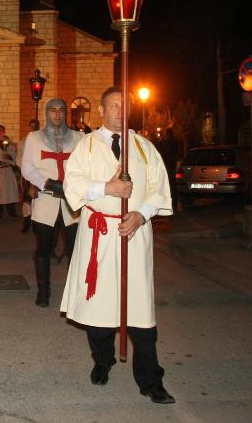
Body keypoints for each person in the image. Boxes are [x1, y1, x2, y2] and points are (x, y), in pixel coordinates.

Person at [60, 86, 175, 404]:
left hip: (133, 234)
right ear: (101, 110)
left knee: (139, 308)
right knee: (99, 306)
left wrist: (141, 214)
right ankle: (102, 360)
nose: (119, 110)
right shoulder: (87, 146)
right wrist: (107, 187)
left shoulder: (143, 147)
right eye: (113, 105)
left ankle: (151, 380)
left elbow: (159, 189)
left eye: (124, 105)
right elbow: (73, 184)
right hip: (99, 234)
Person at [21, 100, 82, 306]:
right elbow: (27, 168)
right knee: (44, 248)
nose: (58, 114)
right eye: (53, 111)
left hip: (71, 203)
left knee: (75, 250)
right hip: (46, 199)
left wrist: (73, 186)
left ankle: (74, 294)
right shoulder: (34, 138)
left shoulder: (77, 138)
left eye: (61, 110)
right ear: (47, 113)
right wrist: (47, 183)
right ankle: (43, 291)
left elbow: (85, 167)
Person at [16, 119, 40, 233]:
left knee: (38, 199)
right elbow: (19, 157)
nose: (33, 128)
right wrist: (26, 167)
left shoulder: (43, 141)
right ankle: (26, 221)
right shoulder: (24, 141)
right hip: (27, 175)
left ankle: (37, 223)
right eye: (31, 126)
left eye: (35, 126)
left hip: (40, 175)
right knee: (26, 200)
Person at [157, 128, 180, 211]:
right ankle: (174, 204)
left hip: (165, 166)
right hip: (172, 166)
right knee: (173, 185)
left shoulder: (163, 143)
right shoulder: (176, 142)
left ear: (167, 134)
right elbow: (178, 154)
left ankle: (166, 204)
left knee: (165, 185)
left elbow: (159, 153)